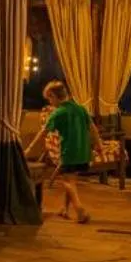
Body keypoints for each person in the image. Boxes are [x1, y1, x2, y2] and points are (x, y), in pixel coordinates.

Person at [41, 80, 97, 224]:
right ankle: (65, 209)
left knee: (66, 181)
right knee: (71, 179)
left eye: (49, 99)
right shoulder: (80, 108)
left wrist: (28, 149)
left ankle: (80, 210)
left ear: (53, 96)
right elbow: (93, 128)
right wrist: (99, 145)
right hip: (83, 152)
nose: (50, 103)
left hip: (69, 151)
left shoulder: (58, 112)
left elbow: (43, 132)